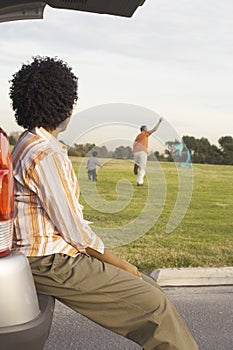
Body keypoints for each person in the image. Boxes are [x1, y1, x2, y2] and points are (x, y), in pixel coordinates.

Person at [10, 56, 198, 350]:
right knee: (155, 307)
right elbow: (75, 232)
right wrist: (122, 264)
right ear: (62, 105)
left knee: (150, 291)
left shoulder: (29, 142)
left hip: (50, 255)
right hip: (49, 261)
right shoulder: (44, 154)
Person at [133, 119, 163, 186]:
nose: (147, 129)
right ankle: (139, 182)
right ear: (144, 129)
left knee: (138, 163)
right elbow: (154, 129)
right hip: (142, 152)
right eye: (146, 128)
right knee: (143, 169)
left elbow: (134, 144)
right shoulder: (145, 133)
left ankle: (136, 164)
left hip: (136, 152)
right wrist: (159, 122)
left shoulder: (138, 136)